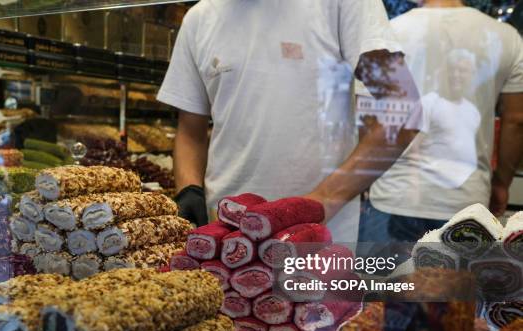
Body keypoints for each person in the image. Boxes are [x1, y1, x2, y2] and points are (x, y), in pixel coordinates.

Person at [157, 0, 419, 242]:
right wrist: (190, 190)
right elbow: (191, 131)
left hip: (318, 241)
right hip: (226, 240)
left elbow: (403, 109)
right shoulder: (199, 19)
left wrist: (321, 202)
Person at [357, 0, 523, 243]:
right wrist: (501, 183)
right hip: (467, 200)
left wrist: (361, 178)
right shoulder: (507, 37)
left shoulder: (389, 32)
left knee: (388, 280)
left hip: (395, 195)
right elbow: (516, 120)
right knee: (456, 280)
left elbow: (368, 117)